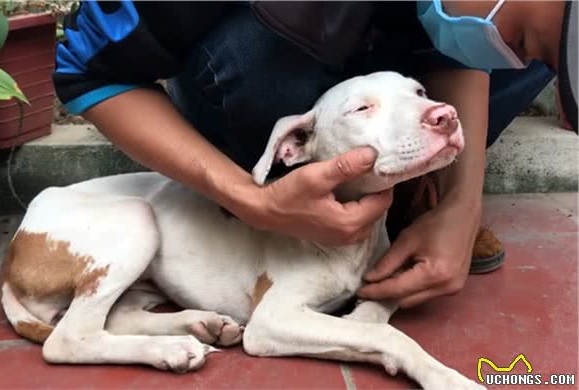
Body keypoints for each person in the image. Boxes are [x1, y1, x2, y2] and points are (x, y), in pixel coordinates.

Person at [53, 1, 576, 308]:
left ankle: (415, 189)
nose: (515, 56)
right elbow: (87, 71)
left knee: (498, 47)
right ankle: (273, 188)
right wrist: (249, 199)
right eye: (525, 38)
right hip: (256, 78)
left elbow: (453, 44)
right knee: (255, 54)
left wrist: (462, 205)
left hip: (383, 65)